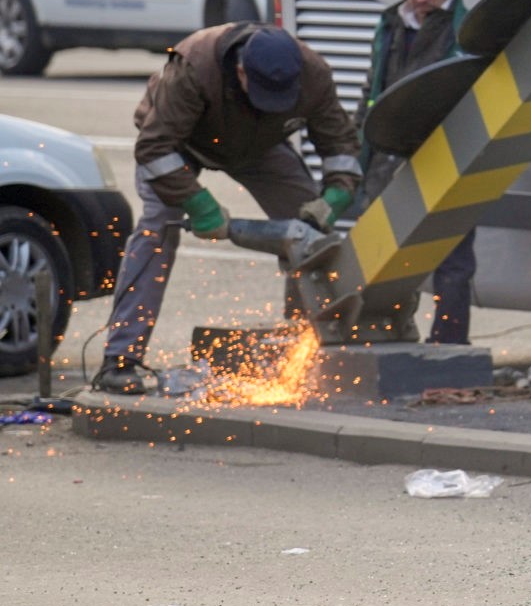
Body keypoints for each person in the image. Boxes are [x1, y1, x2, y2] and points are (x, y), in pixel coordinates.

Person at [93, 22, 362, 394]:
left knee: (312, 238)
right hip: (178, 146)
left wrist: (335, 197)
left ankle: (303, 347)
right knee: (159, 229)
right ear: (240, 71)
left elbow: (341, 149)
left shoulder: (312, 74)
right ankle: (120, 359)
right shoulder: (195, 67)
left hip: (258, 146)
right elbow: (155, 150)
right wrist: (199, 203)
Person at [361, 0, 475, 345]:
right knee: (385, 257)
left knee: (453, 260)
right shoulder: (390, 24)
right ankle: (389, 338)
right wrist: (361, 154)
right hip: (390, 161)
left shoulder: (467, 28)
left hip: (449, 160)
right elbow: (372, 90)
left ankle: (449, 343)